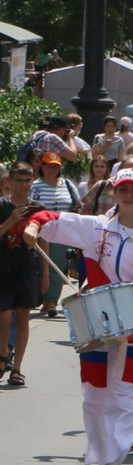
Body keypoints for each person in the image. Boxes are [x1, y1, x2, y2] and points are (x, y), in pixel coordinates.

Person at [23, 168, 133, 465]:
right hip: (97, 322)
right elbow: (50, 217)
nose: (129, 196)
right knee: (95, 396)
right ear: (115, 193)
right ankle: (104, 457)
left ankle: (113, 463)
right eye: (123, 189)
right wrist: (35, 226)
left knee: (130, 396)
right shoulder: (95, 229)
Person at [0, 163, 44, 386]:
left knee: (23, 318)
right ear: (10, 181)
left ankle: (17, 368)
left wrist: (45, 274)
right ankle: (2, 357)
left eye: (28, 180)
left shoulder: (37, 208)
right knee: (5, 318)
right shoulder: (2, 206)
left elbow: (44, 241)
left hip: (28, 268)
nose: (24, 185)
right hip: (4, 269)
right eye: (19, 180)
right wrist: (11, 221)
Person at [30, 151, 80, 317]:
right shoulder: (35, 186)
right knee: (37, 267)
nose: (52, 169)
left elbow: (77, 205)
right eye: (49, 166)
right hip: (39, 231)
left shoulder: (67, 185)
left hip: (60, 231)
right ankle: (38, 297)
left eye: (55, 166)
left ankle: (51, 301)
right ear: (42, 166)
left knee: (57, 267)